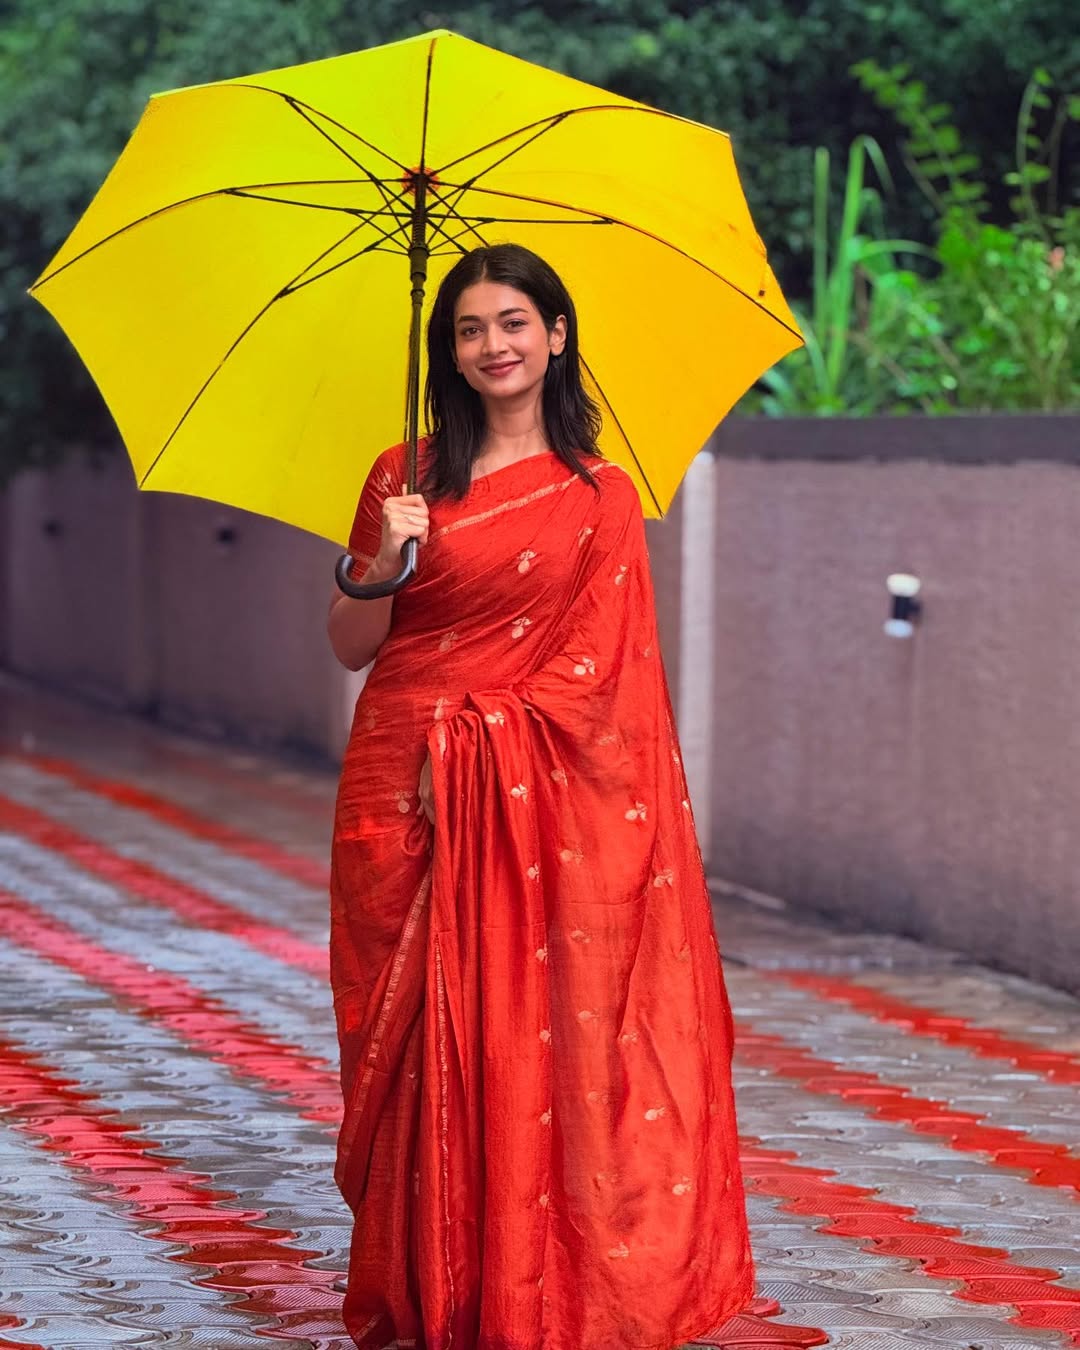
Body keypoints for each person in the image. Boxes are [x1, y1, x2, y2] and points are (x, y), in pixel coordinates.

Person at [326, 243, 753, 1350]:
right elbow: (349, 645)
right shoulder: (402, 474)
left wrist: (474, 743)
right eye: (469, 329)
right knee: (410, 1032)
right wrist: (384, 555)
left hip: (522, 798)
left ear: (556, 336)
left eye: (513, 322)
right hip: (395, 783)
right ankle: (430, 1282)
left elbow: (602, 683)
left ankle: (521, 1279)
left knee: (529, 1030)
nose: (492, 346)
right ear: (449, 350)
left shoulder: (597, 496)